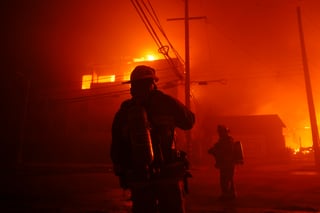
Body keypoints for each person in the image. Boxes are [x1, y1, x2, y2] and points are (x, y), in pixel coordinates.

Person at [111, 65, 195, 213]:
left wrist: (123, 172)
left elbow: (117, 146)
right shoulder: (166, 102)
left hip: (139, 175)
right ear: (153, 84)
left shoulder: (125, 110)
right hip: (167, 173)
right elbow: (189, 121)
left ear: (132, 87)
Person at [208, 125, 242, 200]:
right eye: (219, 132)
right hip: (226, 163)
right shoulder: (223, 140)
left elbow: (225, 152)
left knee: (225, 179)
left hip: (228, 163)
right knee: (228, 178)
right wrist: (213, 150)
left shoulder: (228, 141)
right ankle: (231, 194)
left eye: (220, 132)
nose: (219, 133)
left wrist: (215, 151)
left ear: (224, 132)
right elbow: (218, 148)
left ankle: (226, 195)